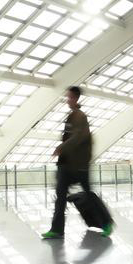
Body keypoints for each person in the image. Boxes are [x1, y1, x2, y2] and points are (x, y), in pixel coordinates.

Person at [42, 86, 114, 239]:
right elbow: (71, 138)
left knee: (88, 195)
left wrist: (61, 147)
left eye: (69, 97)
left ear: (75, 98)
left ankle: (106, 223)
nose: (67, 100)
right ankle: (57, 230)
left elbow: (77, 138)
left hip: (79, 165)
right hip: (66, 164)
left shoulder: (80, 117)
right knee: (60, 197)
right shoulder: (71, 116)